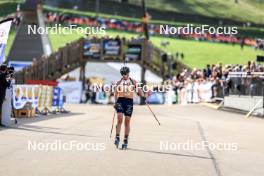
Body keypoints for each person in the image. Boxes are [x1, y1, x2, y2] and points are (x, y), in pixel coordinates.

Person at [113, 66, 146, 149]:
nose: (124, 75)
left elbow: (139, 90)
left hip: (129, 102)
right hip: (120, 100)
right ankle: (117, 137)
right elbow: (116, 93)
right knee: (119, 118)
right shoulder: (118, 82)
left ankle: (125, 139)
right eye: (123, 74)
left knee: (127, 122)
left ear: (128, 73)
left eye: (126, 73)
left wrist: (142, 95)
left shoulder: (133, 81)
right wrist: (115, 102)